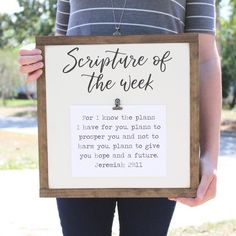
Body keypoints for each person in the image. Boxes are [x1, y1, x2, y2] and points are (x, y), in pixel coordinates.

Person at [18, 1, 221, 235]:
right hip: (81, 143)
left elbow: (204, 57)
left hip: (155, 145)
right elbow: (62, 44)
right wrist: (35, 58)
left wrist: (209, 156)